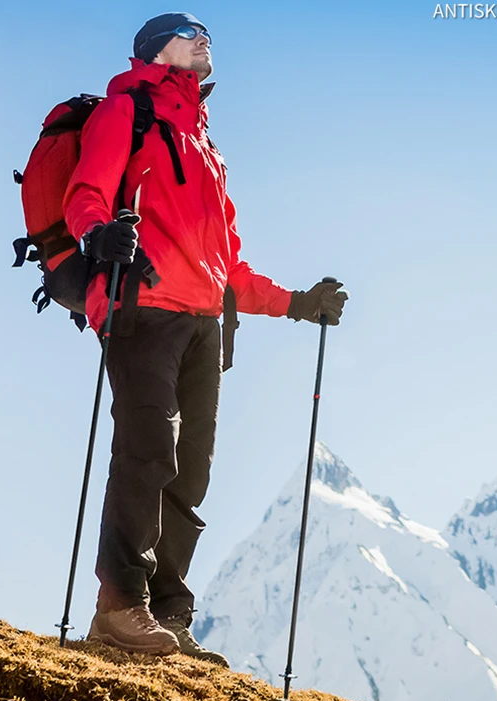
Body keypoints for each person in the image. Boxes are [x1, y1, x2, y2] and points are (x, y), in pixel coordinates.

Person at [63, 12, 348, 663]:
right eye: (186, 32)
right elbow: (87, 193)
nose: (203, 39)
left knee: (189, 471)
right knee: (146, 450)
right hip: (142, 308)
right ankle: (120, 609)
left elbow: (228, 268)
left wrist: (300, 304)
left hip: (204, 324)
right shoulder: (124, 113)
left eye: (207, 34)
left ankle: (167, 614)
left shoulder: (206, 147)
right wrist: (97, 234)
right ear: (151, 50)